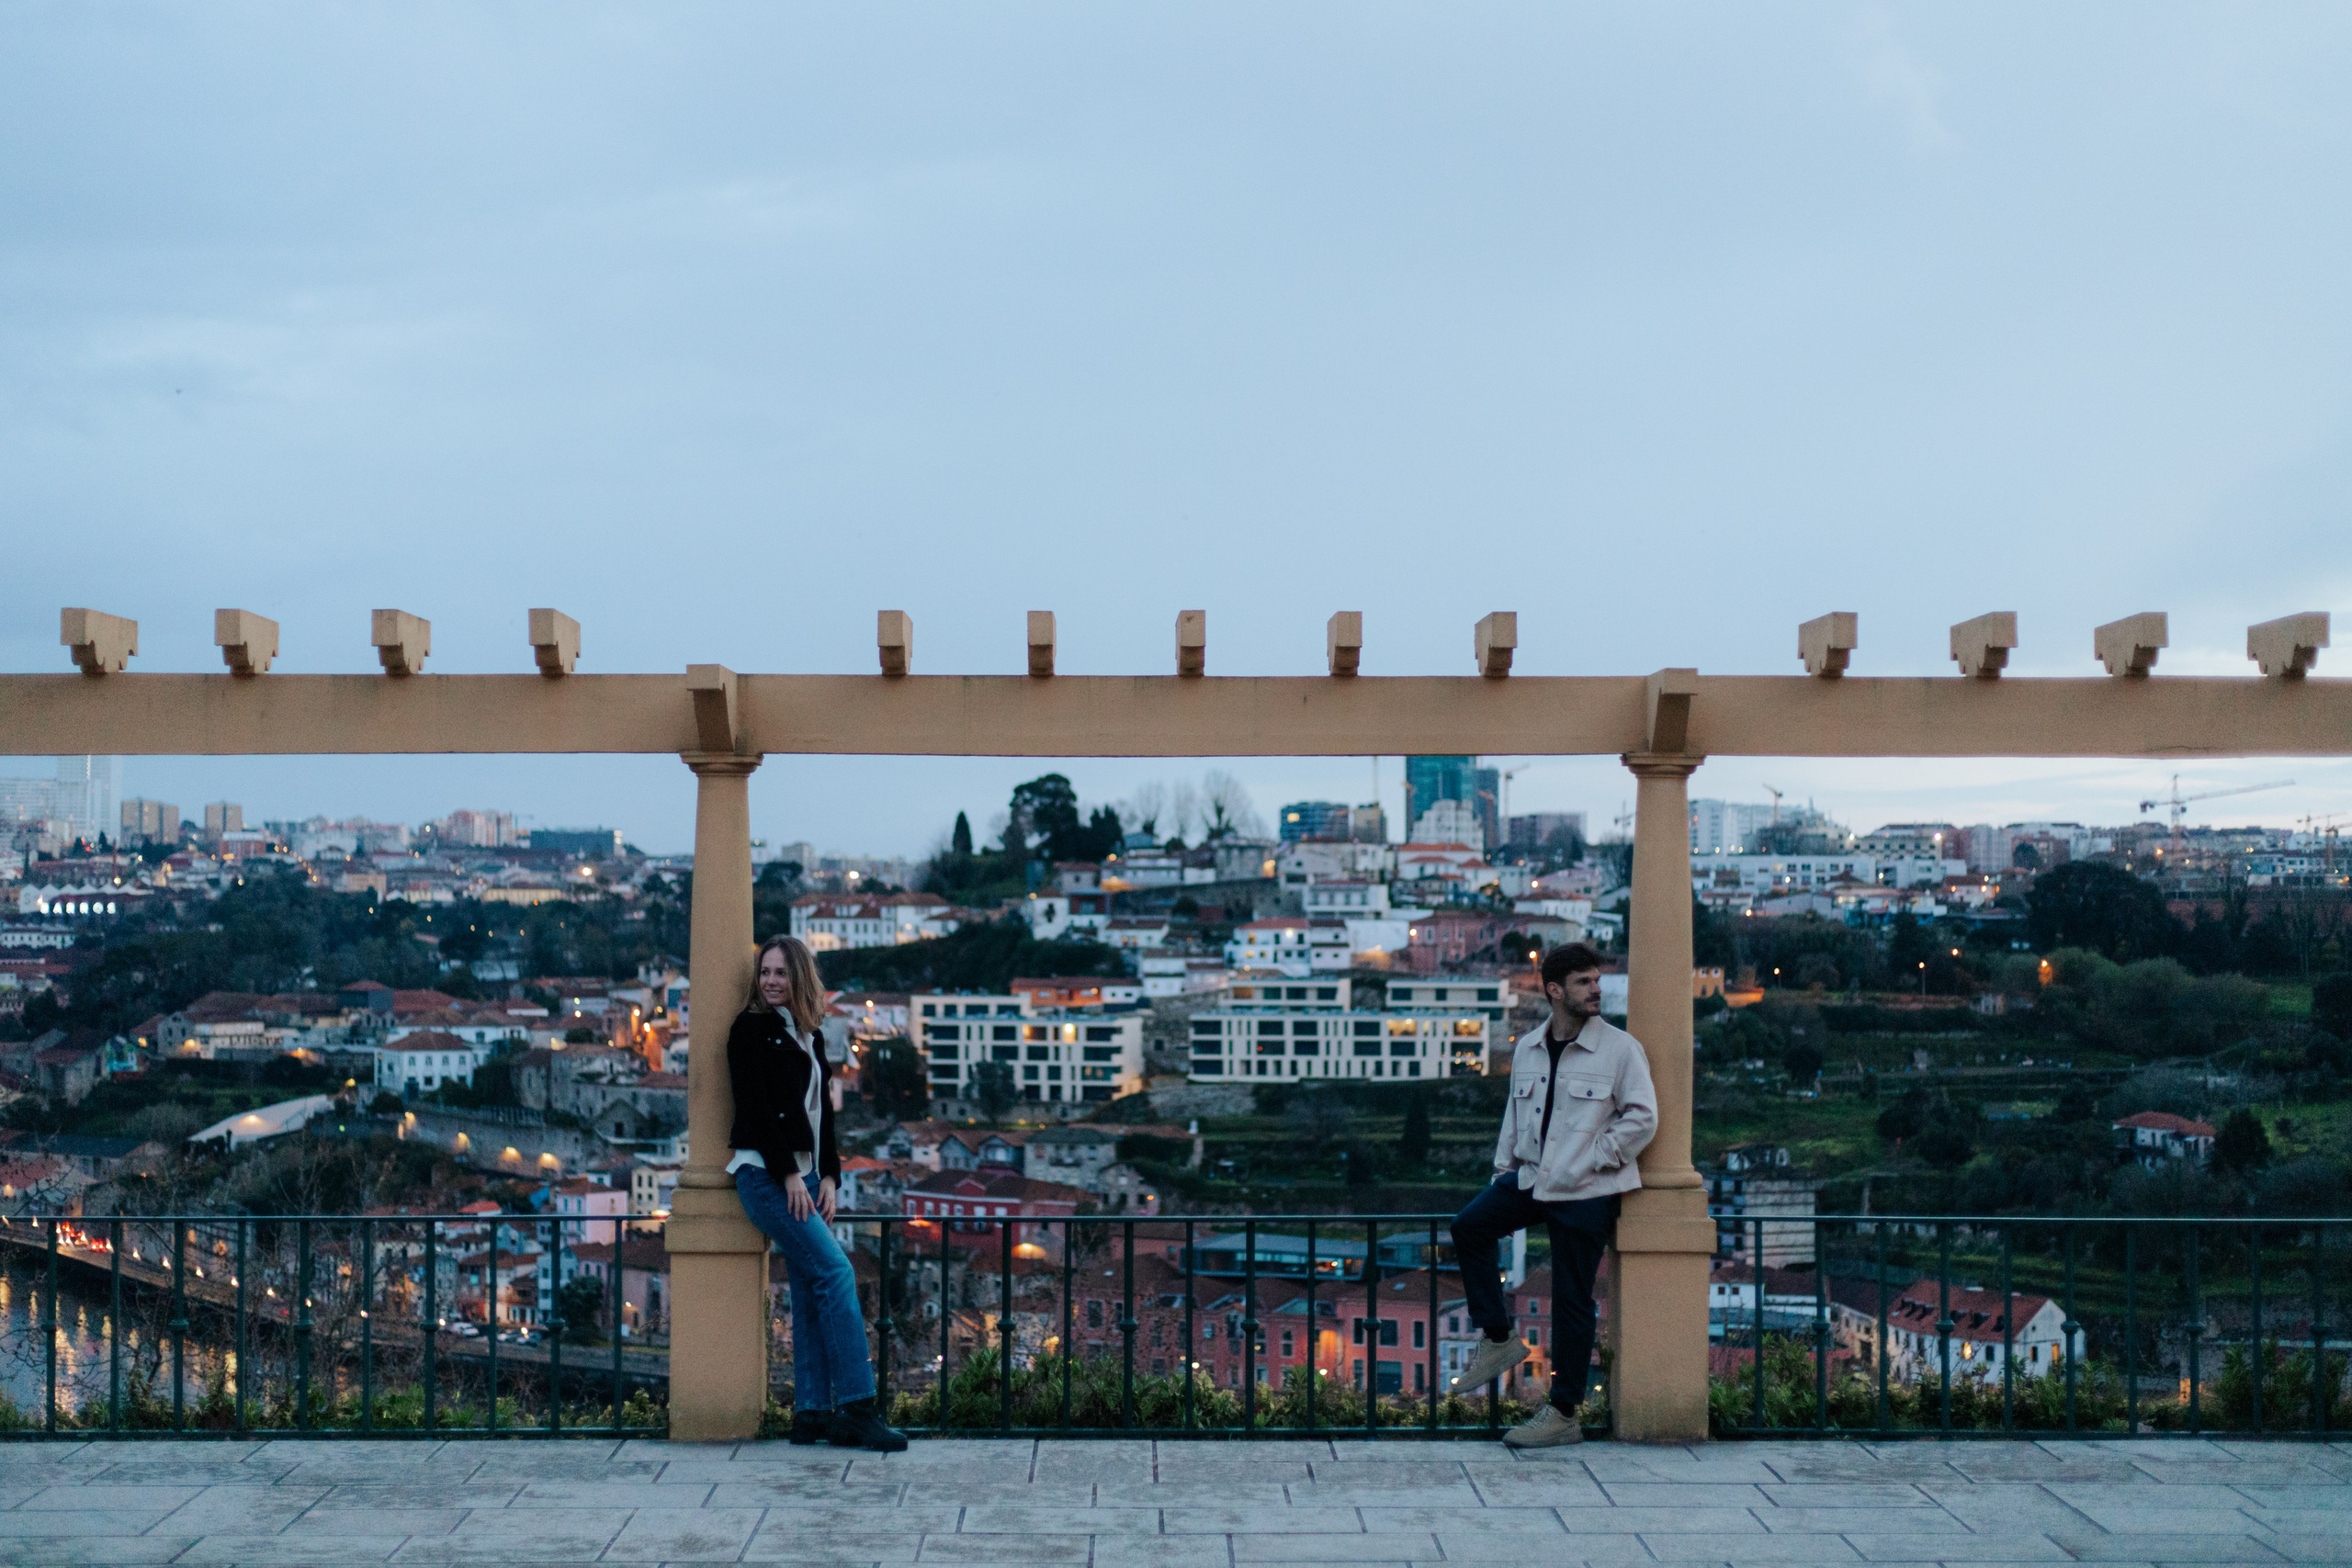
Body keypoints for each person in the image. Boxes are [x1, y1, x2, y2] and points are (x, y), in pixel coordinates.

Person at [1447, 942, 1657, 1447]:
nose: (1596, 990)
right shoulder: (1528, 1048)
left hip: (1587, 1188)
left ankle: (1563, 1414)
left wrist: (1597, 1156)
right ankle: (1498, 1337)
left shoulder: (1620, 1049)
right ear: (1554, 991)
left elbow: (1643, 1117)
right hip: (1532, 1180)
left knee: (1570, 1300)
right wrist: (1504, 1172)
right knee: (1468, 1226)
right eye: (1584, 982)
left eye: (1597, 980)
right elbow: (1515, 1117)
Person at [727, 934, 906, 1450]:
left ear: (800, 978)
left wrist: (829, 1176)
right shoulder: (749, 1029)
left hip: (805, 1177)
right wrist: (788, 1174)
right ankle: (857, 1408)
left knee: (810, 1284)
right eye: (765, 972)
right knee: (836, 1272)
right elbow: (756, 1108)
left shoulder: (810, 1035)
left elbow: (822, 1115)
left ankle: (811, 1414)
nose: (770, 981)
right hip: (764, 1175)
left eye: (781, 972)